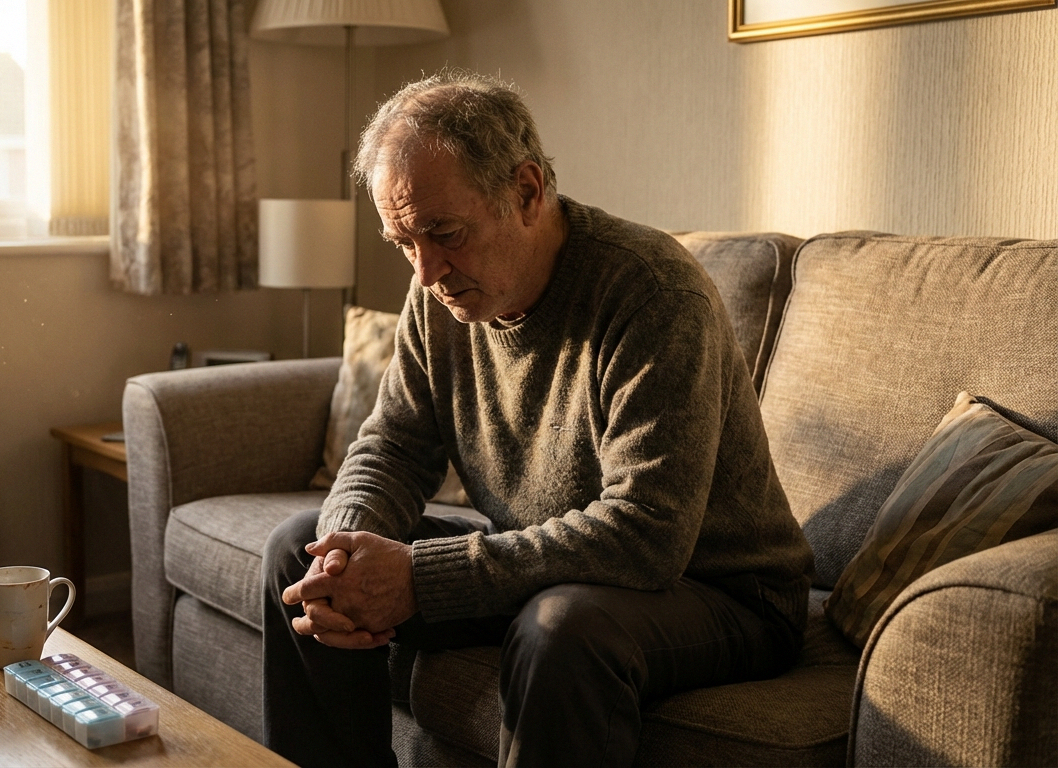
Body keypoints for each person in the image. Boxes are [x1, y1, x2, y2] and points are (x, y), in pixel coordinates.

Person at [261, 70, 815, 768]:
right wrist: (346, 549)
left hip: (719, 591)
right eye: (403, 242)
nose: (426, 270)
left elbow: (646, 535)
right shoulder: (436, 290)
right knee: (299, 551)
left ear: (526, 191)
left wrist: (418, 578)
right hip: (555, 560)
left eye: (444, 233)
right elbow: (396, 444)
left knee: (561, 627)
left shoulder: (653, 293)